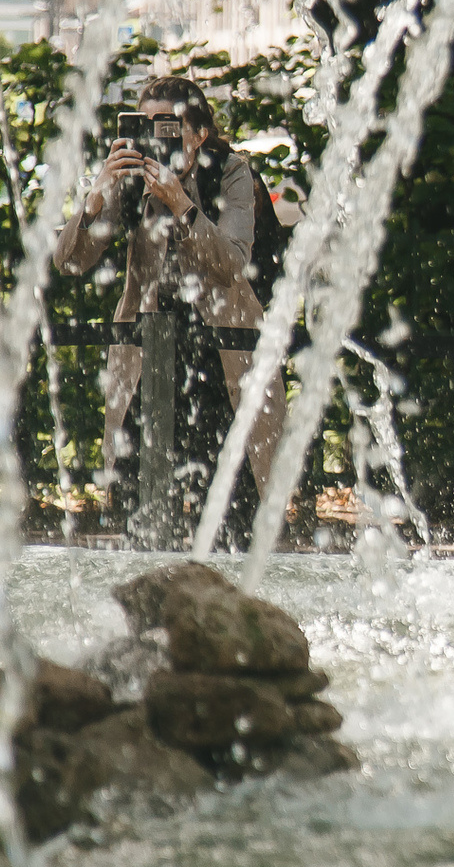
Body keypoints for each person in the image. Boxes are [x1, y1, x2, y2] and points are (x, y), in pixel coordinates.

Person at [53, 76, 286, 546]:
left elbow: (231, 264)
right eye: (145, 124)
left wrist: (180, 201)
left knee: (231, 508)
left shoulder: (230, 171)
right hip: (150, 356)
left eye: (169, 125)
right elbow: (71, 261)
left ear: (199, 133)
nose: (155, 137)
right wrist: (98, 194)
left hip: (226, 355)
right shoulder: (132, 175)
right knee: (137, 498)